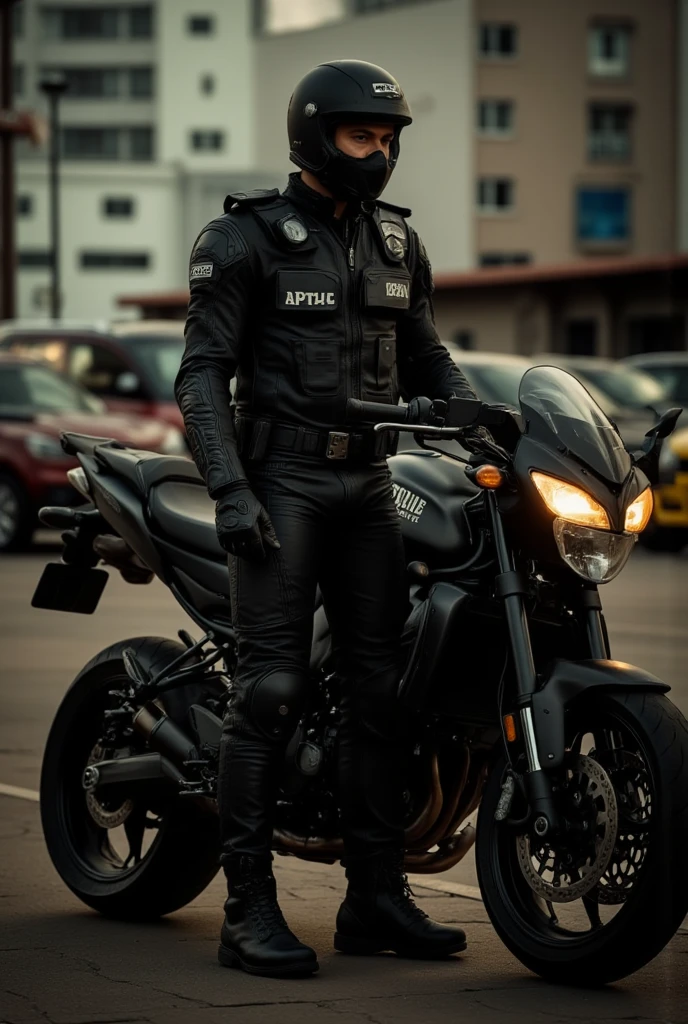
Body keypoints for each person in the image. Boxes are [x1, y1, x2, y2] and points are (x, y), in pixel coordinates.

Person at [175, 60, 478, 978]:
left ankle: (376, 898)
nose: (379, 154)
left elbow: (424, 353)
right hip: (283, 484)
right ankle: (246, 909)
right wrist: (231, 488)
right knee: (271, 693)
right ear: (313, 136)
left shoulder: (397, 245)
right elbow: (200, 376)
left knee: (383, 698)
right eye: (361, 137)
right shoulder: (243, 239)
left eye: (388, 140)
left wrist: (486, 412)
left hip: (370, 488)